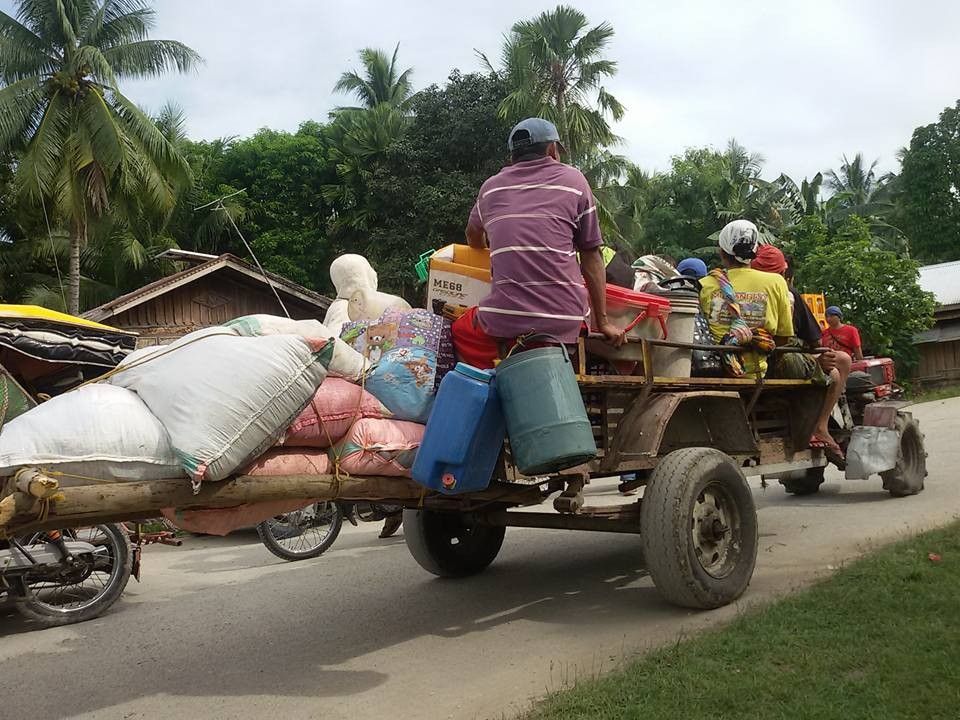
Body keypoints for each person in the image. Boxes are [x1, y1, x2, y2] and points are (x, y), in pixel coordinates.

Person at [452, 117, 624, 369]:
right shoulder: (575, 181)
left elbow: (472, 235)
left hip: (503, 321)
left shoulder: (490, 188)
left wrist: (489, 248)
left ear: (512, 156)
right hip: (564, 320)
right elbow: (591, 254)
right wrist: (604, 322)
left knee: (458, 330)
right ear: (552, 150)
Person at [751, 245, 850, 461]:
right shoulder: (786, 293)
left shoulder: (737, 288)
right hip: (778, 360)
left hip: (748, 360)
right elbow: (810, 339)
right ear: (784, 273)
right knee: (840, 363)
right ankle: (821, 425)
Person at [699, 220, 793, 380]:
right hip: (758, 374)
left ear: (722, 252)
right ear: (754, 251)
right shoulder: (777, 282)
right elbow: (783, 337)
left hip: (716, 372)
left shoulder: (705, 284)